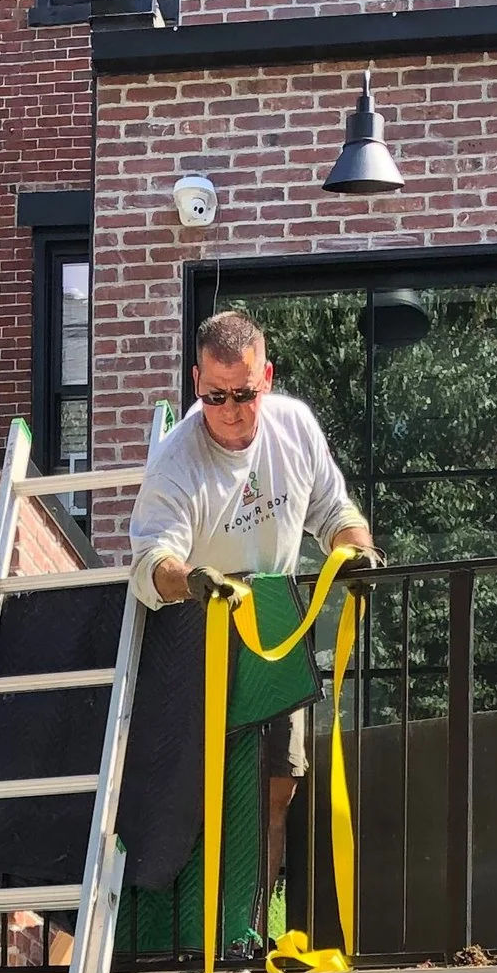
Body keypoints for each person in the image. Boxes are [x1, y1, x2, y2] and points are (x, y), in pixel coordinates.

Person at [127, 309, 377, 919]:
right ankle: (181, 933)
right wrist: (193, 581)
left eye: (244, 393)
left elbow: (333, 511)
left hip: (272, 624)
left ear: (266, 376)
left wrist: (358, 550)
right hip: (194, 632)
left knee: (275, 787)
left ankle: (251, 928)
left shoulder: (294, 428)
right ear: (196, 383)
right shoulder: (176, 459)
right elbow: (149, 563)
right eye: (215, 397)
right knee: (191, 792)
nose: (232, 410)